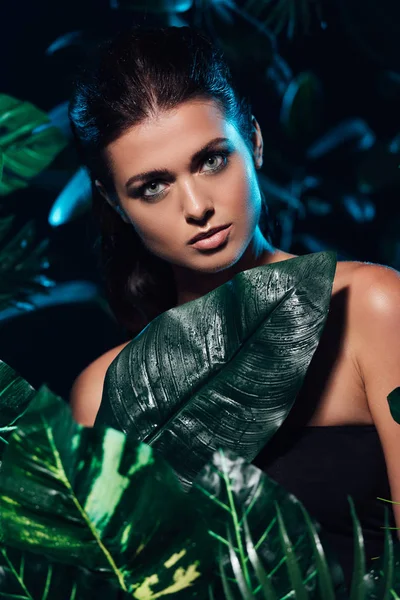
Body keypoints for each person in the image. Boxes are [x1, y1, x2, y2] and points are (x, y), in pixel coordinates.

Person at [68, 25, 400, 585]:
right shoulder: (106, 393)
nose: (196, 206)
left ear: (255, 141)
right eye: (153, 186)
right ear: (113, 202)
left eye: (212, 160)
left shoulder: (372, 308)